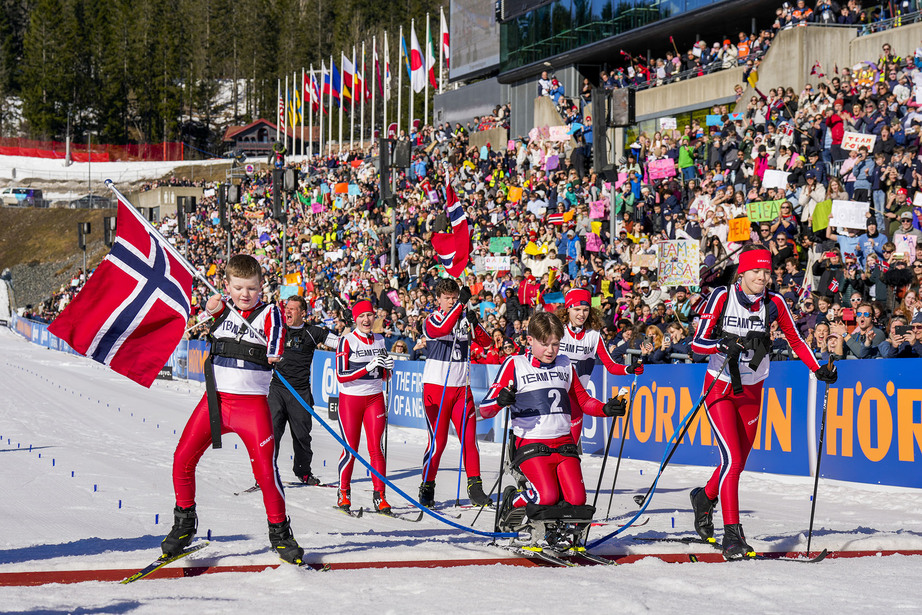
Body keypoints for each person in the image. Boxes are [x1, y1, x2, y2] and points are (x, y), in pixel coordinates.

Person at [688, 246, 837, 560]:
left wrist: (817, 368)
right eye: (756, 271)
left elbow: (795, 338)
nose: (762, 277)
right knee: (730, 460)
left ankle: (704, 499)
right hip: (720, 387)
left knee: (737, 462)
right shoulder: (721, 297)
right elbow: (696, 345)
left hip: (752, 390)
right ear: (742, 273)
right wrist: (722, 342)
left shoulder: (774, 302)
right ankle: (732, 536)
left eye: (767, 272)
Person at [162, 255, 304, 565]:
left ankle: (280, 531)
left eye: (251, 288)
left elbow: (277, 345)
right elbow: (210, 312)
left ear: (261, 287)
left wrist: (272, 351)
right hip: (215, 402)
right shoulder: (221, 311)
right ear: (227, 286)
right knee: (182, 458)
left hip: (251, 407)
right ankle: (185, 523)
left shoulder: (270, 314)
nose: (245, 294)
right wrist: (213, 309)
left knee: (266, 472)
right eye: (238, 288)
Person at [480, 312, 627, 530]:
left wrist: (606, 408)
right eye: (544, 344)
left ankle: (557, 532)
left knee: (577, 501)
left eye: (556, 344)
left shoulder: (565, 364)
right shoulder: (515, 364)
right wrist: (500, 400)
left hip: (564, 443)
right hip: (531, 443)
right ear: (530, 340)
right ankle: (513, 502)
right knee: (546, 496)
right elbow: (485, 409)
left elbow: (583, 400)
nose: (550, 350)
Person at [419, 278, 493, 507]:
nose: (451, 302)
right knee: (438, 442)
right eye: (447, 299)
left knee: (469, 440)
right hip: (436, 388)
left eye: (454, 298)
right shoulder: (431, 319)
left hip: (462, 388)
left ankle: (475, 486)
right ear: (438, 300)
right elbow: (441, 329)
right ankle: (427, 485)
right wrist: (461, 306)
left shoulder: (462, 316)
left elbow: (487, 343)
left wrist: (475, 323)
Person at [554, 287, 642, 444]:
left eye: (586, 309)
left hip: (577, 399)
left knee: (569, 452)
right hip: (553, 394)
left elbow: (611, 366)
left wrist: (629, 369)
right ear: (568, 309)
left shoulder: (593, 336)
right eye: (577, 309)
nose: (581, 314)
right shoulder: (558, 331)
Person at [269, 295, 338, 485]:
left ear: (303, 313)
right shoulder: (277, 330)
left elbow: (340, 343)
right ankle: (265, 473)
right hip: (278, 389)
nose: (288, 312)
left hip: (300, 392)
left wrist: (347, 328)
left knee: (301, 435)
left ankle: (303, 472)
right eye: (287, 308)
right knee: (271, 432)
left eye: (293, 309)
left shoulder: (312, 332)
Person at [334, 300, 394, 514]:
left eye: (369, 315)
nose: (366, 320)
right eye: (361, 316)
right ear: (355, 319)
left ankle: (380, 496)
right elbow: (341, 375)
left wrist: (388, 368)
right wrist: (368, 366)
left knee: (377, 449)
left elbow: (384, 375)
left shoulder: (379, 340)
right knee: (351, 450)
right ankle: (343, 492)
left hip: (375, 398)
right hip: (351, 399)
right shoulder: (346, 341)